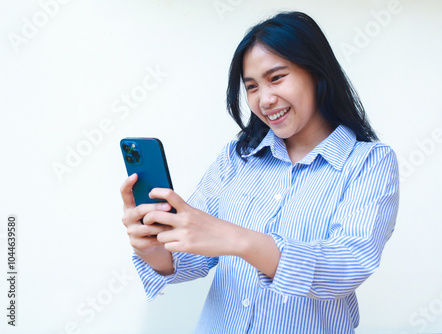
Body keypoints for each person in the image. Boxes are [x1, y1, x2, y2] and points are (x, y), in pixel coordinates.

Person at [120, 11, 399, 333]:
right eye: (251, 87)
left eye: (277, 78)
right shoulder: (237, 158)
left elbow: (347, 267)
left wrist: (238, 240)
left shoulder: (369, 163)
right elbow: (189, 259)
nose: (264, 100)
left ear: (317, 73)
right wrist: (153, 246)